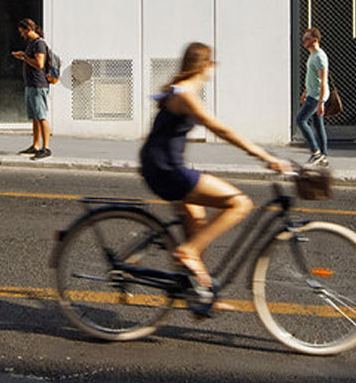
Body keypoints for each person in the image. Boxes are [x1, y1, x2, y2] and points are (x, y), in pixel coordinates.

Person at [139, 41, 291, 313]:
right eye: (211, 65)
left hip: (161, 167)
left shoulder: (180, 90)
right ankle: (187, 253)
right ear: (205, 65)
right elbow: (220, 130)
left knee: (197, 226)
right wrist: (265, 157)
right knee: (240, 203)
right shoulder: (186, 94)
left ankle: (201, 294)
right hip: (167, 170)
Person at [11, 16, 51, 158]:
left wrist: (24, 57)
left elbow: (39, 64)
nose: (21, 34)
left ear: (28, 29)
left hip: (38, 85)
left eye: (22, 31)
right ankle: (35, 145)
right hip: (31, 84)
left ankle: (46, 148)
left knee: (41, 116)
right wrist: (23, 56)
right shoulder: (31, 43)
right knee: (35, 117)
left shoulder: (39, 44)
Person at [293, 26, 330, 165]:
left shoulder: (319, 57)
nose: (304, 41)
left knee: (300, 120)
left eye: (307, 38)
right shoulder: (312, 55)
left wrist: (321, 102)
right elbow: (312, 78)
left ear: (315, 40)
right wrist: (305, 92)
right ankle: (323, 157)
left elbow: (323, 81)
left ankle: (316, 152)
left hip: (316, 96)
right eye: (304, 38)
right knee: (318, 125)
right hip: (312, 93)